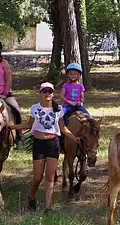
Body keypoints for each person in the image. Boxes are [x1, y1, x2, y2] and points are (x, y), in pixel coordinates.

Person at [10, 82, 78, 212]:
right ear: (40, 93)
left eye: (50, 91)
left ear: (53, 94)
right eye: (44, 91)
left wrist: (75, 138)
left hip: (53, 144)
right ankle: (31, 196)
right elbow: (29, 124)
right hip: (39, 144)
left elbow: (63, 129)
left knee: (50, 177)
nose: (47, 94)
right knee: (37, 176)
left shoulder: (58, 110)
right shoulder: (35, 108)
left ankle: (48, 207)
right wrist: (11, 127)